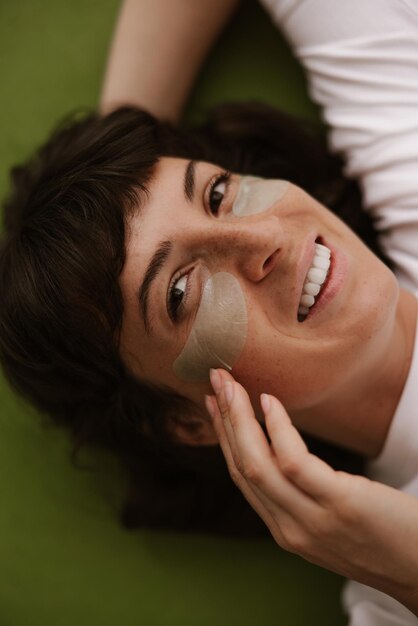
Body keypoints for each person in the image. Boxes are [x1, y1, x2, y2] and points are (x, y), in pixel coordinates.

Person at [0, 0, 417, 623]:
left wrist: (114, 154)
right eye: (179, 293)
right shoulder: (393, 585)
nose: (264, 237)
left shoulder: (401, 144)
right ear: (191, 421)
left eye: (218, 193)